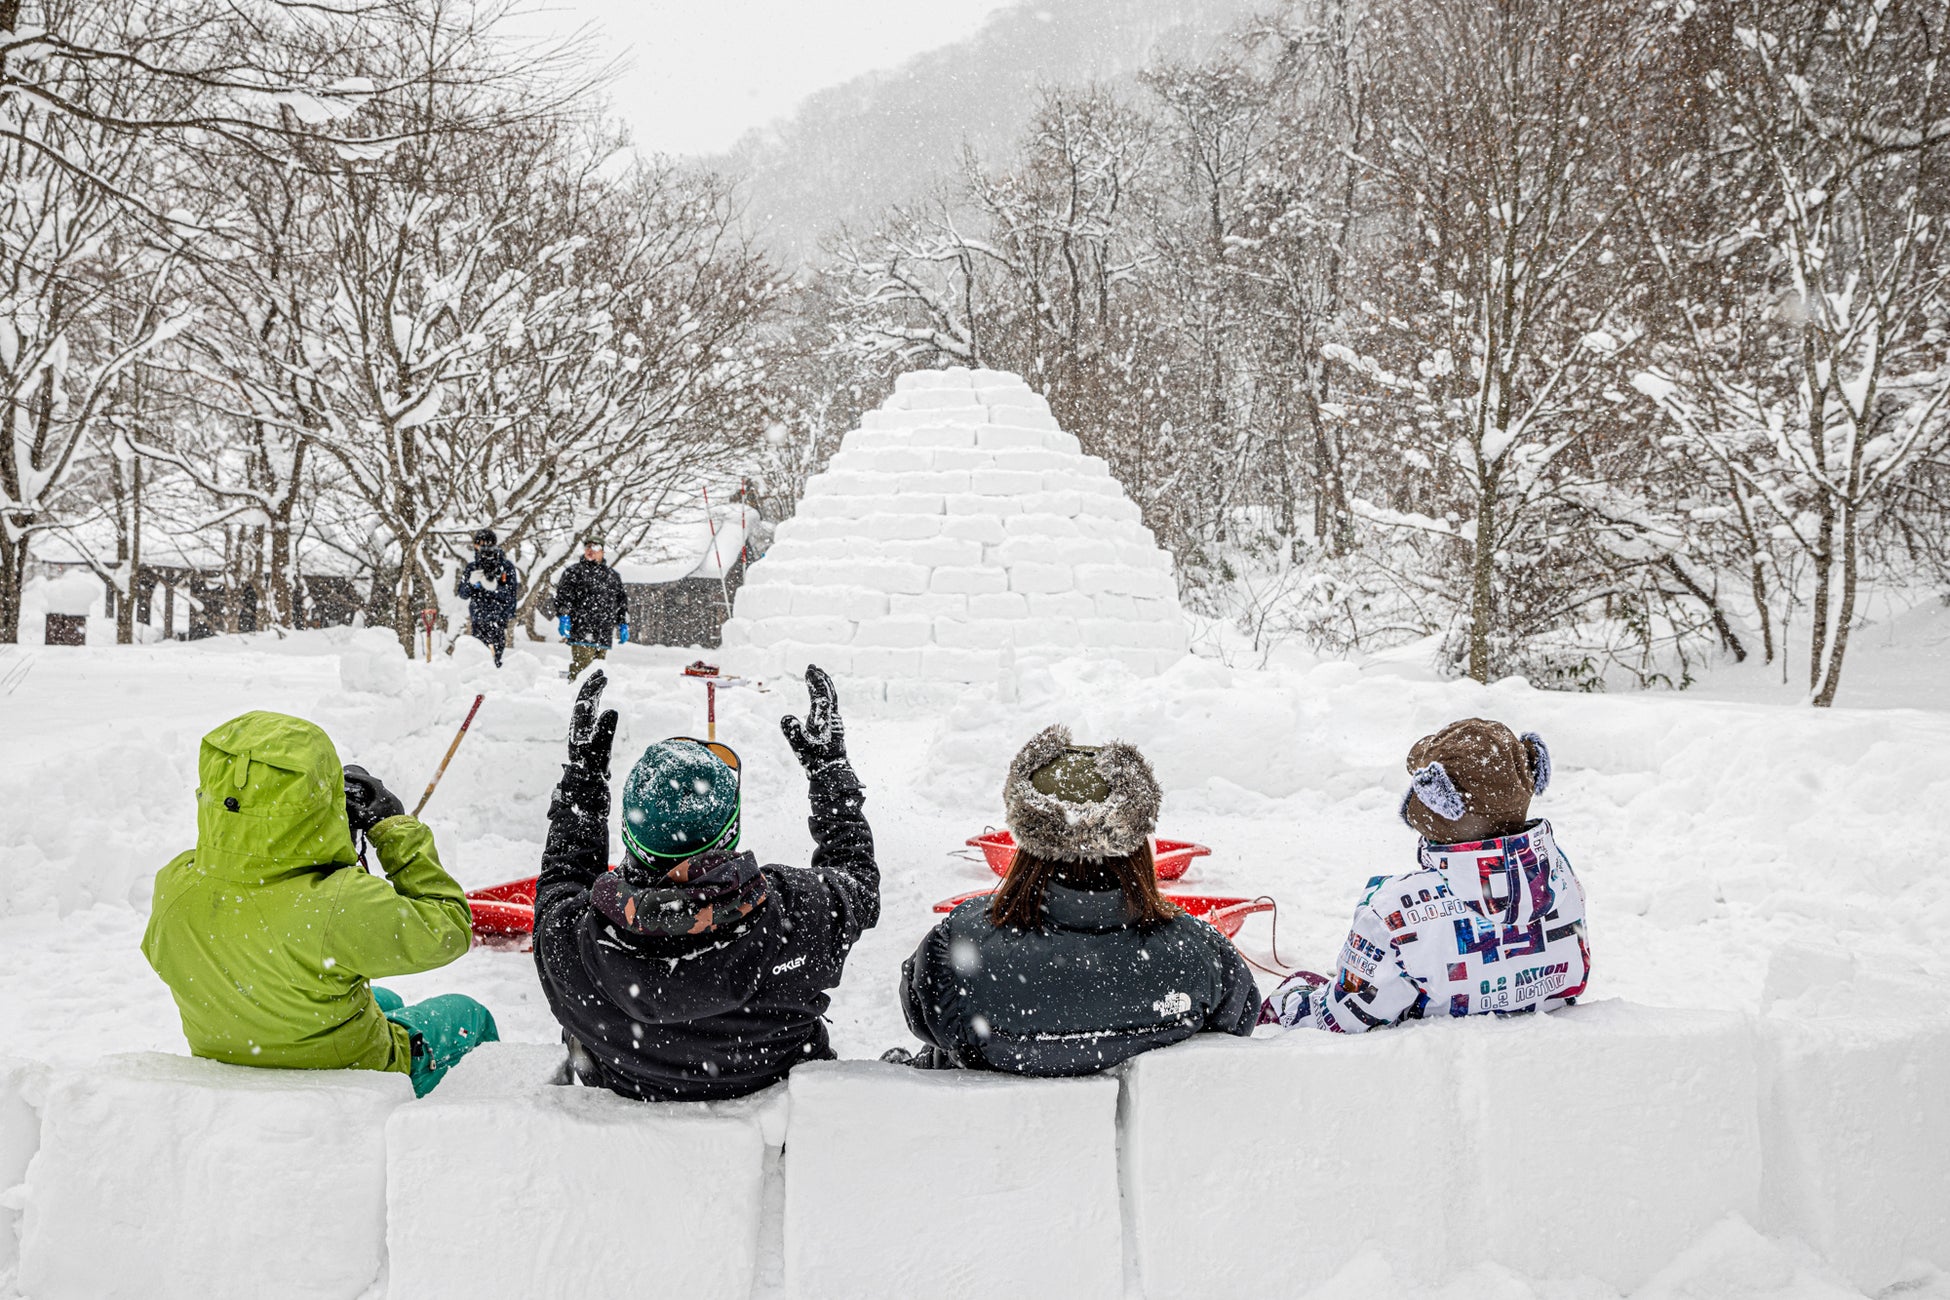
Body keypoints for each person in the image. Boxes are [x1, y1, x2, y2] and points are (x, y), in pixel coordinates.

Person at [531, 665, 878, 1101]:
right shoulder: (800, 910)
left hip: (628, 1097)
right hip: (773, 1103)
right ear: (729, 835)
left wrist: (583, 781)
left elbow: (562, 878)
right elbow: (858, 879)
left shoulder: (570, 939)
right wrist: (830, 771)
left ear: (628, 831)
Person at [142, 712, 497, 1096]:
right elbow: (449, 929)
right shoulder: (339, 903)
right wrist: (393, 829)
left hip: (229, 1050)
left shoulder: (175, 882)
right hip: (347, 1070)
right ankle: (478, 1124)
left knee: (386, 1001)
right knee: (468, 1013)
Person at [890, 724, 1258, 1076]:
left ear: (1028, 847)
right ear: (1137, 848)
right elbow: (1238, 1021)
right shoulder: (1201, 954)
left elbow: (923, 1013)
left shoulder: (957, 945)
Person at [1260, 718, 1589, 1033]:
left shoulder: (1393, 912)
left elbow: (1338, 1020)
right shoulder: (1560, 879)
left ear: (1437, 804)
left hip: (1427, 1074)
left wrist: (1291, 998)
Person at [553, 531, 628, 680]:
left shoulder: (612, 576)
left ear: (602, 551)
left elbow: (621, 602)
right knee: (582, 668)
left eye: (594, 547)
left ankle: (592, 701)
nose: (590, 550)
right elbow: (563, 597)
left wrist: (622, 624)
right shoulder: (574, 572)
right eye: (587, 547)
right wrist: (564, 615)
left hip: (603, 631)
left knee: (598, 671)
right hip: (582, 628)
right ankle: (574, 695)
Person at [455, 528, 519, 667]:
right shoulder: (472, 567)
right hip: (478, 618)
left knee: (496, 659)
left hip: (498, 619)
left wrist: (496, 588)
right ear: (475, 546)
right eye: (481, 544)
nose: (484, 548)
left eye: (488, 544)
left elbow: (511, 595)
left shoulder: (505, 567)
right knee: (479, 658)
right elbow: (462, 594)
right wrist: (471, 583)